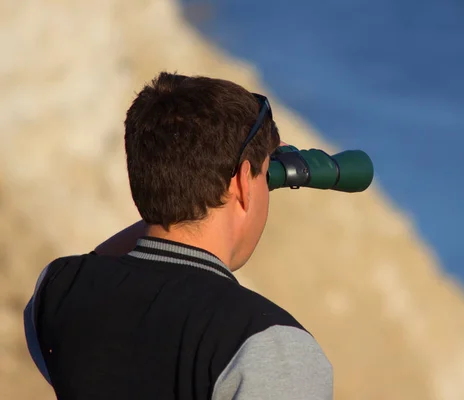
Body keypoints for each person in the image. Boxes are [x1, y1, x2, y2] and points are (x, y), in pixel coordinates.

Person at [23, 72, 334, 400]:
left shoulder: (59, 291)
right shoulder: (270, 345)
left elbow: (103, 264)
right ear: (244, 182)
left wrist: (181, 193)